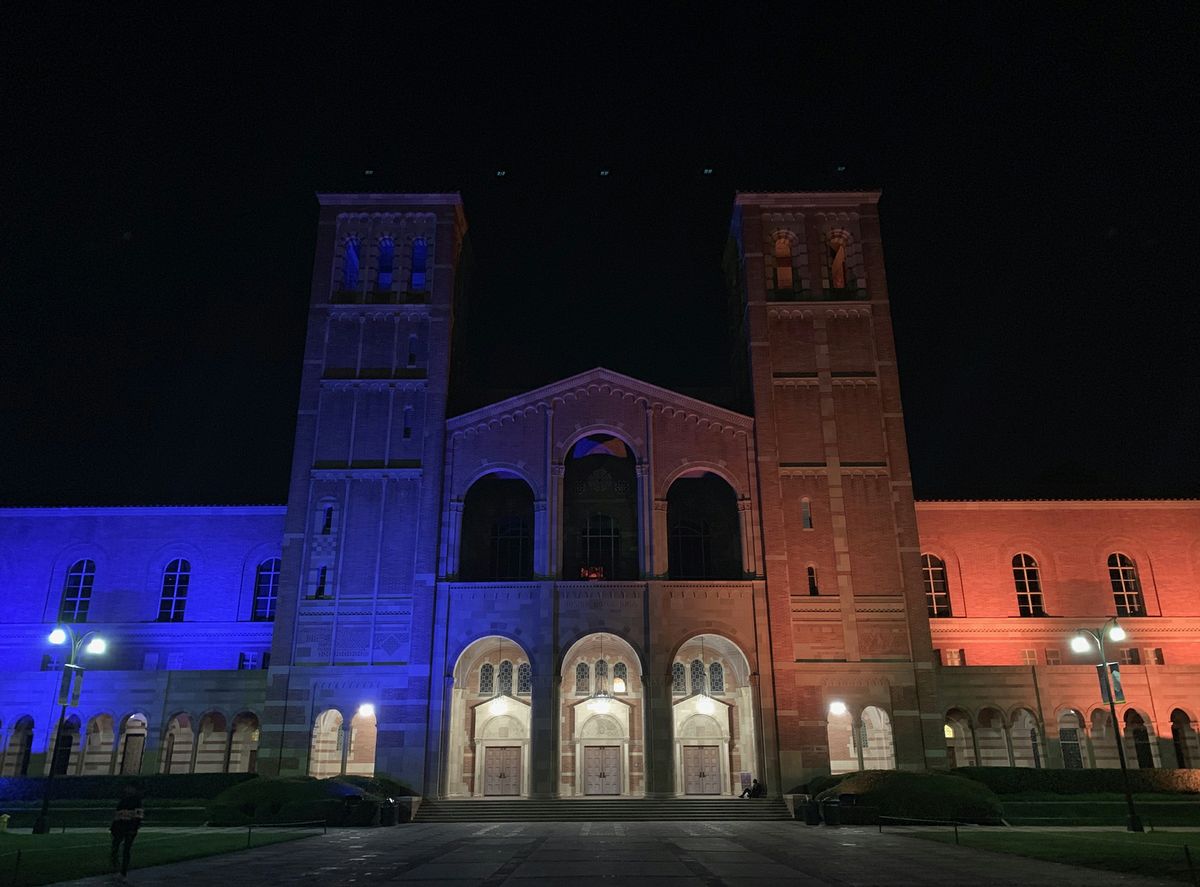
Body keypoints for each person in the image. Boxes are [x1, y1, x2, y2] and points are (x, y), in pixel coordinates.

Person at [109, 783, 144, 878]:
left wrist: (133, 828)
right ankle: (116, 865)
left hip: (129, 829)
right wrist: (113, 828)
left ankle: (123, 871)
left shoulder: (137, 801)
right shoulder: (123, 801)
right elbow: (117, 816)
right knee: (115, 847)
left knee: (126, 849)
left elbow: (138, 817)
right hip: (120, 827)